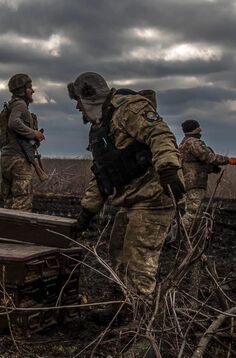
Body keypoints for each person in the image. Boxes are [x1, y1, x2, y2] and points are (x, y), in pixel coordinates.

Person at [69, 72, 184, 297]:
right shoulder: (102, 126)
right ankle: (119, 306)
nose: (78, 109)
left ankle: (140, 320)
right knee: (118, 252)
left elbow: (160, 135)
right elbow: (103, 173)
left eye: (78, 102)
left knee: (138, 264)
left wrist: (168, 169)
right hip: (131, 200)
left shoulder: (129, 109)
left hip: (152, 198)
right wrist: (87, 212)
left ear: (89, 97)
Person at [179, 119, 236, 234]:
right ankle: (172, 237)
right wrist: (229, 160)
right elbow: (208, 157)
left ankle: (184, 240)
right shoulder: (194, 142)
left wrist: (211, 168)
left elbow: (197, 162)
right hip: (194, 183)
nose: (201, 129)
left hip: (189, 182)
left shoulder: (184, 142)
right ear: (196, 128)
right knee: (193, 214)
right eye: (198, 126)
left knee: (194, 213)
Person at [0, 73, 45, 211]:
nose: (33, 90)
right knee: (22, 202)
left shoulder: (10, 106)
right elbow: (14, 123)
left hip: (7, 158)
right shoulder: (20, 105)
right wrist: (34, 133)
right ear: (21, 90)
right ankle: (17, 231)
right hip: (18, 159)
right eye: (29, 87)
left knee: (9, 201)